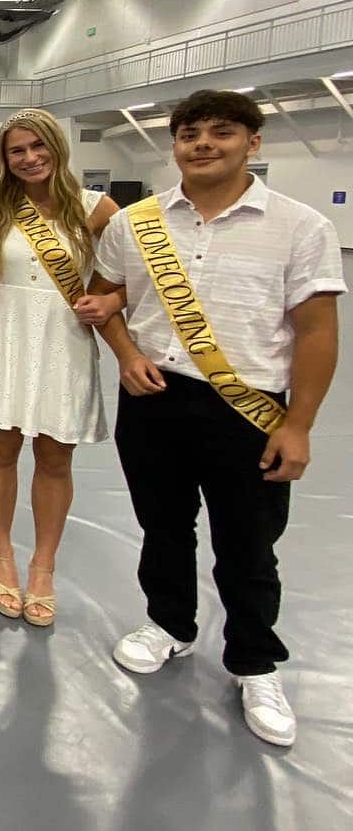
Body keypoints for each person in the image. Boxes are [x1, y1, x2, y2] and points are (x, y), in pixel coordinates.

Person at [89, 90, 343, 748]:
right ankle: (170, 625)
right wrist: (121, 353)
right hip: (152, 399)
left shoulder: (300, 226)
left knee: (249, 543)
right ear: (174, 145)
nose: (203, 144)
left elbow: (316, 332)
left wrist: (299, 425)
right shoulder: (135, 223)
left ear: (252, 143)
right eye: (190, 133)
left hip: (249, 409)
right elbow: (107, 299)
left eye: (221, 133)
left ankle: (255, 662)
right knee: (162, 525)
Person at [0, 108, 119, 624]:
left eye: (37, 147)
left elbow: (127, 276)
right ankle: (1, 554)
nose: (29, 158)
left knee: (55, 456)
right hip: (6, 335)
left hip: (65, 342)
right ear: (4, 159)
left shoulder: (99, 209)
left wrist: (110, 304)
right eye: (16, 151)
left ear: (56, 147)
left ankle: (42, 565)